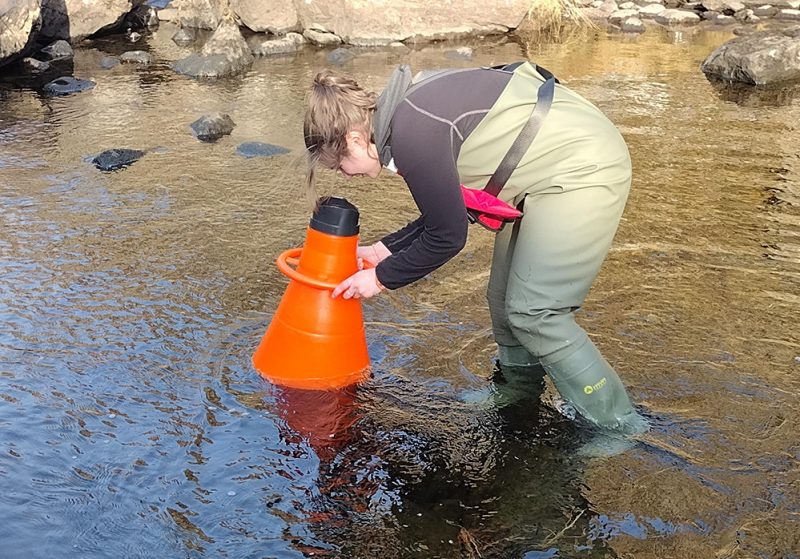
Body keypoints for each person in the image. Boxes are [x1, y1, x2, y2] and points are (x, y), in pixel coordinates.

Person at [303, 62, 648, 434]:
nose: (345, 174)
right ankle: (519, 391)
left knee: (536, 312)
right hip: (547, 171)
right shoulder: (407, 116)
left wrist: (379, 280)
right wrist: (383, 251)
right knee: (502, 300)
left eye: (339, 165)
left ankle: (617, 424)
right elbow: (448, 212)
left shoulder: (414, 133)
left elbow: (448, 237)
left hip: (583, 167)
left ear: (354, 139)